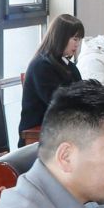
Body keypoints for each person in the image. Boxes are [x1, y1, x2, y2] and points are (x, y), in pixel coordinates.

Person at [20, 14, 85, 144]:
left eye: (79, 40)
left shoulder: (69, 66)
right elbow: (58, 103)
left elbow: (82, 95)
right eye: (75, 39)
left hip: (62, 129)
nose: (77, 44)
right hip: (40, 135)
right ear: (61, 37)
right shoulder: (41, 66)